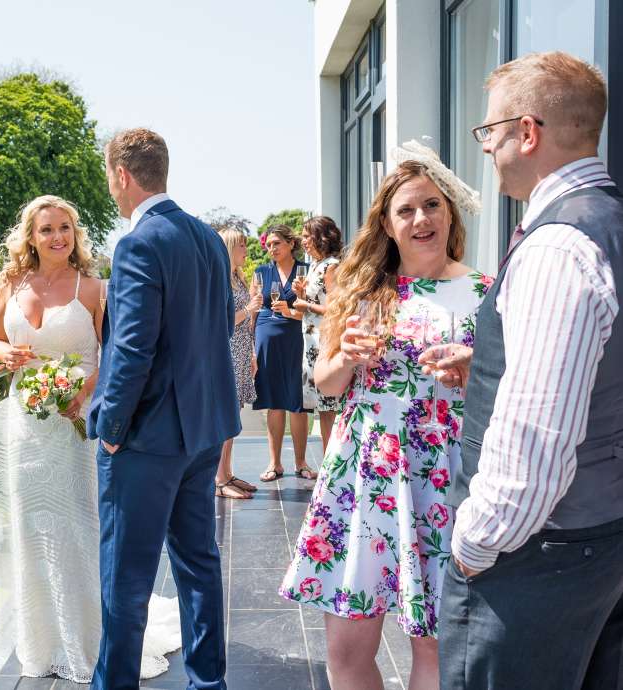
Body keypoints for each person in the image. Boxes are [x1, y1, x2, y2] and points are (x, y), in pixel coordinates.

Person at [423, 52, 623, 690]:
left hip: (537, 557)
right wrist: (488, 363)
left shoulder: (558, 246)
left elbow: (536, 443)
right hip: (599, 540)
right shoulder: (609, 222)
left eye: (490, 131)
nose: (486, 147)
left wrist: (474, 545)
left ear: (528, 132)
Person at [279, 144, 489, 690]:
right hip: (365, 475)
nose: (422, 219)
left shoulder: (485, 293)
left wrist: (473, 373)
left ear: (450, 213)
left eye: (433, 206)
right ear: (388, 226)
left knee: (433, 647)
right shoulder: (365, 292)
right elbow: (325, 383)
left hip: (443, 477)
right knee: (346, 649)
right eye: (407, 210)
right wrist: (345, 356)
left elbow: (508, 391)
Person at [0, 194, 180, 683]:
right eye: (47, 229)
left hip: (74, 424)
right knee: (31, 528)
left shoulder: (93, 287)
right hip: (24, 427)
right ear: (31, 236)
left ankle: (91, 636)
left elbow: (110, 355)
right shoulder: (11, 281)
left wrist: (86, 393)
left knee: (79, 525)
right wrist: (4, 354)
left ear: (76, 235)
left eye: (65, 228)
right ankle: (41, 639)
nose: (57, 237)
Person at [87, 128, 240, 690]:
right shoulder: (206, 238)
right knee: (198, 564)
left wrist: (111, 429)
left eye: (109, 177)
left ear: (122, 175)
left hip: (147, 440)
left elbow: (130, 348)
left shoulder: (138, 243)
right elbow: (218, 327)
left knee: (125, 576)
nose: (110, 187)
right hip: (202, 432)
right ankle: (208, 682)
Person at [252, 225, 316, 482]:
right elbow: (254, 310)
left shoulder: (307, 271)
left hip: (298, 338)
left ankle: (301, 462)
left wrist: (294, 308)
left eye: (277, 243)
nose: (272, 248)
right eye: (268, 244)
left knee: (298, 402)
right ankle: (274, 463)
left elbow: (313, 308)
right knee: (273, 401)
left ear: (291, 243)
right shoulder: (261, 272)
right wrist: (250, 348)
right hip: (267, 338)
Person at [215, 227, 262, 499]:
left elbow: (247, 323)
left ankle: (227, 472)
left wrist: (253, 353)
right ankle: (219, 479)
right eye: (242, 245)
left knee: (234, 414)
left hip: (242, 352)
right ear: (231, 247)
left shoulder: (238, 277)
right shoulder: (220, 278)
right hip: (228, 353)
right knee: (226, 415)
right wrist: (249, 310)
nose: (246, 250)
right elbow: (222, 322)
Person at [292, 216, 344, 454]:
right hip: (311, 342)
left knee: (328, 407)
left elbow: (336, 309)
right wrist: (303, 293)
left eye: (305, 235)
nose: (302, 241)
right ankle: (328, 463)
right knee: (322, 408)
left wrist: (306, 306)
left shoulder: (332, 266)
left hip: (325, 342)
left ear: (320, 237)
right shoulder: (314, 265)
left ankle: (330, 466)